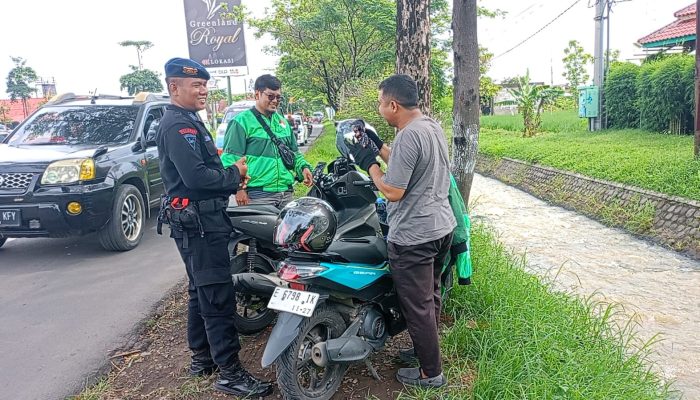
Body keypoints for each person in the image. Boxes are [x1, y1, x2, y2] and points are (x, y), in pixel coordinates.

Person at [156, 57, 273, 398]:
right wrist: (235, 174)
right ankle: (230, 374)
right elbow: (197, 177)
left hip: (199, 221)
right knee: (217, 296)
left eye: (205, 85)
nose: (203, 90)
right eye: (196, 85)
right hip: (200, 224)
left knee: (199, 289)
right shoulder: (180, 127)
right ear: (173, 87)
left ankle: (202, 357)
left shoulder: (186, 120)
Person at [348, 74, 456, 388]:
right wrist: (377, 146)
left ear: (393, 104)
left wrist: (368, 163)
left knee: (417, 306)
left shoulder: (409, 135)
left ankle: (430, 373)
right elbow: (404, 162)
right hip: (440, 228)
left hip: (415, 237)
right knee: (431, 297)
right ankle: (426, 352)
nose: (380, 109)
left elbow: (392, 190)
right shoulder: (430, 126)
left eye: (381, 104)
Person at [221, 74, 313, 208]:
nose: (275, 100)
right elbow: (231, 159)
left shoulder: (283, 122)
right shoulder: (241, 122)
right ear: (257, 94)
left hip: (286, 193)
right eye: (270, 96)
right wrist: (239, 189)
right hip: (258, 196)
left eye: (278, 97)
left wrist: (303, 169)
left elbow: (294, 154)